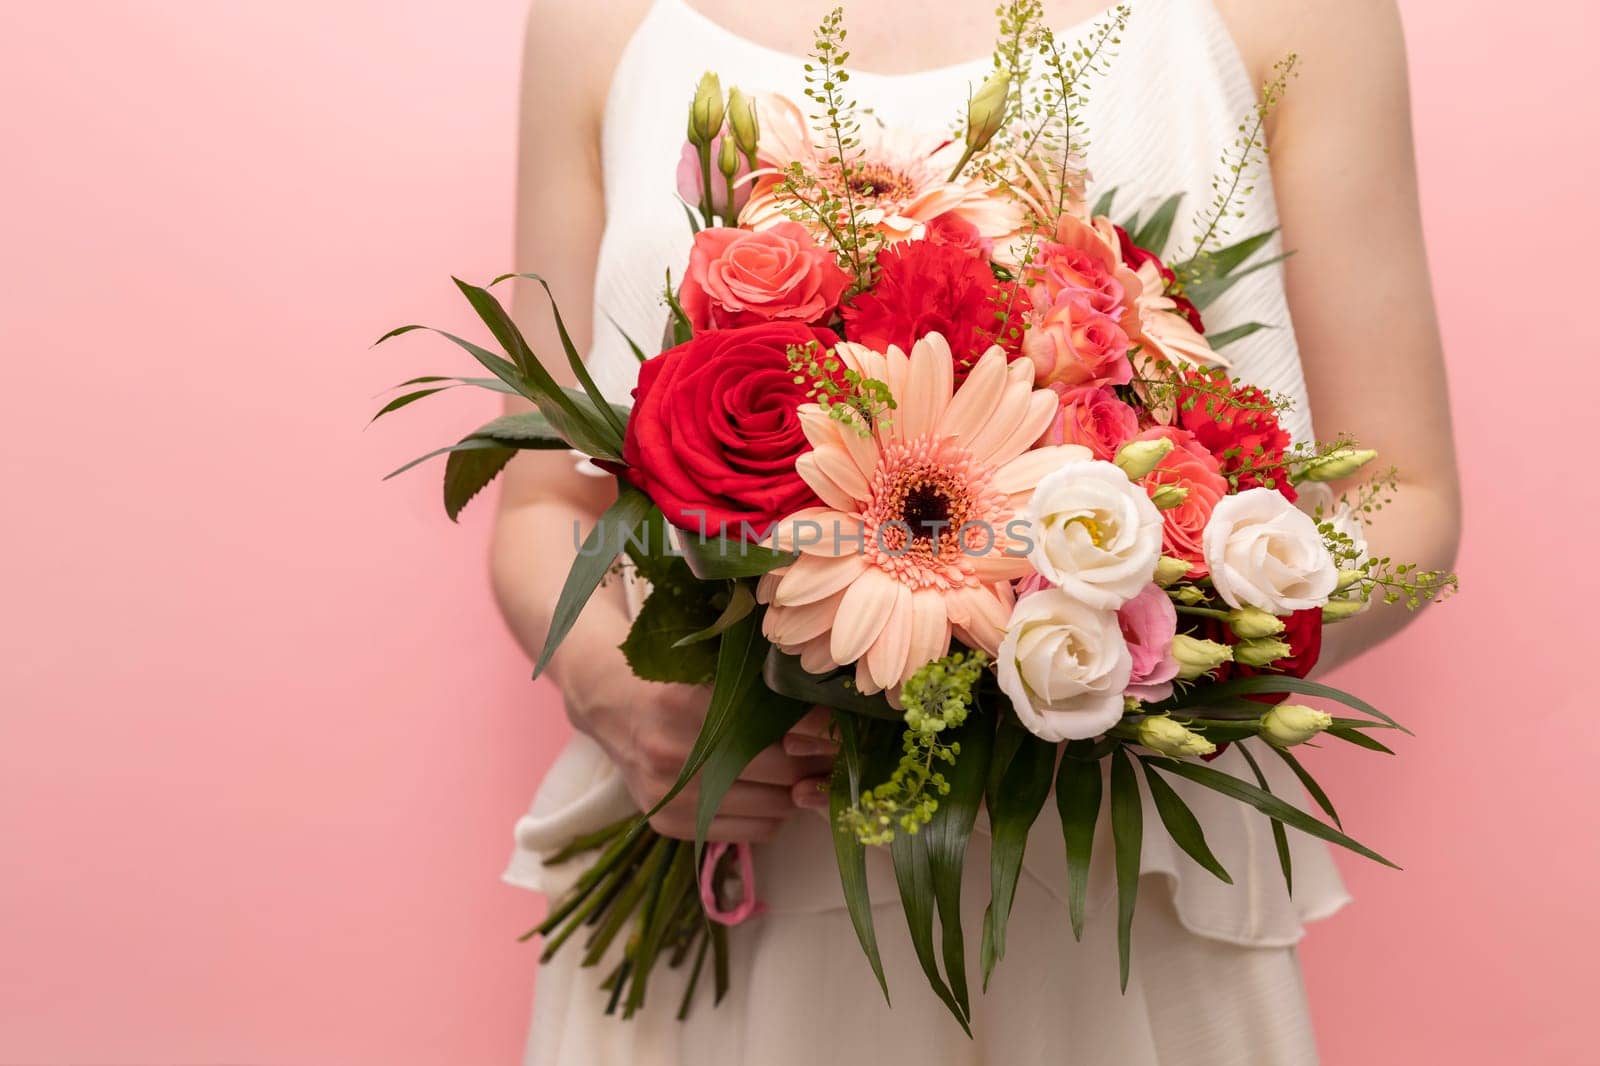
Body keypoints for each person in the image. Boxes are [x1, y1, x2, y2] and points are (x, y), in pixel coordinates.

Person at [490, 0, 1461, 1061]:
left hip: (1109, 894)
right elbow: (545, 498)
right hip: (729, 863)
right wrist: (615, 690)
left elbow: (1403, 497)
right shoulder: (601, 21)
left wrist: (1117, 655)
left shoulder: (1298, 17)